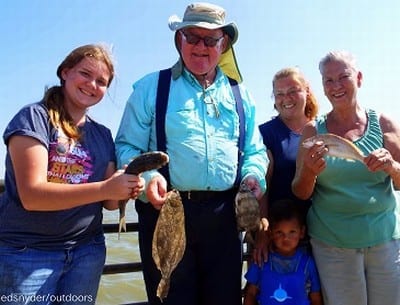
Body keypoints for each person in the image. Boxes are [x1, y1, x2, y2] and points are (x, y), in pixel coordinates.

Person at [115, 3, 267, 305]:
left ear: (223, 44)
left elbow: (254, 150)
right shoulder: (149, 87)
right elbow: (125, 147)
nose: (201, 46)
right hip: (166, 213)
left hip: (225, 221)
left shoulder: (241, 94)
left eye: (211, 39)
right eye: (192, 37)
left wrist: (253, 175)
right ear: (179, 40)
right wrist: (147, 177)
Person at [0, 44, 144, 305]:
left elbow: (110, 203)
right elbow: (32, 195)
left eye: (101, 81)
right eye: (85, 74)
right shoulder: (34, 118)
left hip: (86, 253)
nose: (92, 84)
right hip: (27, 252)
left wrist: (127, 184)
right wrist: (105, 189)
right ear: (65, 72)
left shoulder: (102, 134)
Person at [292, 50, 400, 305]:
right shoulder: (312, 130)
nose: (336, 86)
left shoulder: (385, 124)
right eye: (328, 80)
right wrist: (309, 170)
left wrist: (392, 166)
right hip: (333, 245)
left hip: (385, 242)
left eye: (344, 77)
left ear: (359, 78)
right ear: (323, 87)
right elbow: (300, 191)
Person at [256, 67, 318, 262]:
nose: (286, 98)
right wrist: (262, 231)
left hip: (320, 235)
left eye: (293, 91)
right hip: (279, 237)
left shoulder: (322, 129)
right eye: (279, 94)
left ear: (307, 91)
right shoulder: (264, 134)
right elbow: (261, 186)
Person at [244, 199, 323, 305]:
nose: (286, 238)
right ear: (271, 233)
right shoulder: (261, 261)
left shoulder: (308, 264)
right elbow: (250, 294)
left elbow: (316, 299)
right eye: (279, 232)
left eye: (292, 232)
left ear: (302, 232)